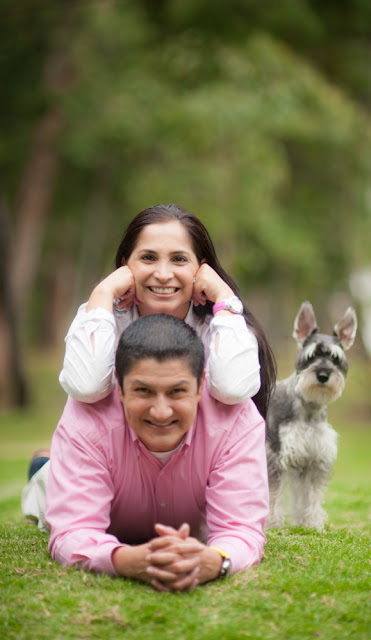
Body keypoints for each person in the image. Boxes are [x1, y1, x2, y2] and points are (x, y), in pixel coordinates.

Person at [43, 314, 269, 590]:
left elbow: (241, 529)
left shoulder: (237, 423)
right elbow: (71, 531)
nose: (161, 412)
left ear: (201, 386)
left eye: (176, 392)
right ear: (120, 387)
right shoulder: (85, 421)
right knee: (42, 496)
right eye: (143, 391)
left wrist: (216, 561)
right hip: (61, 483)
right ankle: (42, 468)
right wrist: (124, 560)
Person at [59, 204, 276, 419]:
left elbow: (233, 389)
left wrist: (224, 296)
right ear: (125, 265)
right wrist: (103, 291)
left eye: (179, 259)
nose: (163, 274)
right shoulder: (101, 314)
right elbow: (85, 388)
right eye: (148, 258)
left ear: (202, 268)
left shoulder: (223, 324)